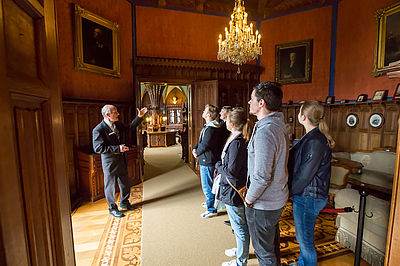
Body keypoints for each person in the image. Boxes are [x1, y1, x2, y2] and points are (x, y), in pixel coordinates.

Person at [245, 81, 289, 265]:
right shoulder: (277, 124)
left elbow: (262, 176)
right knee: (272, 247)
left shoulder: (266, 130)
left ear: (261, 103)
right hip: (276, 198)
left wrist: (249, 198)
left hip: (263, 203)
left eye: (252, 99)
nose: (249, 102)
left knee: (264, 253)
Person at [288, 100, 335, 266]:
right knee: (303, 237)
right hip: (307, 194)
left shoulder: (315, 141)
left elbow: (305, 175)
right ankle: (303, 263)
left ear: (303, 117)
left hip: (309, 196)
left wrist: (289, 191)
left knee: (305, 239)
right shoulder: (311, 137)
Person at [92, 105, 148, 218]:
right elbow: (98, 148)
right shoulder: (98, 129)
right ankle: (112, 208)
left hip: (121, 159)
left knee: (125, 183)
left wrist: (139, 116)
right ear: (108, 115)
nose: (118, 114)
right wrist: (117, 148)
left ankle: (124, 202)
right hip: (109, 162)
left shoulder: (117, 124)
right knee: (110, 186)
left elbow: (129, 127)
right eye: (115, 112)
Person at [215, 107, 253, 266]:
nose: (224, 121)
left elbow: (232, 172)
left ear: (231, 124)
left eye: (226, 119)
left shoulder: (237, 143)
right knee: (239, 226)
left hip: (233, 190)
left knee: (240, 227)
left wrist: (218, 165)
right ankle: (240, 251)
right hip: (232, 189)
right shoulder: (237, 138)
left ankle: (241, 261)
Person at [193, 104, 221, 218]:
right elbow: (201, 141)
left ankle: (212, 209)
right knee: (208, 185)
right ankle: (210, 203)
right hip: (205, 158)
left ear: (209, 114)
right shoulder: (209, 126)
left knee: (207, 186)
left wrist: (197, 152)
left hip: (208, 160)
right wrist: (195, 148)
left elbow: (205, 144)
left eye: (205, 111)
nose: (203, 112)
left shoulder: (212, 128)